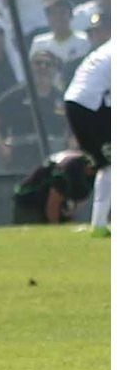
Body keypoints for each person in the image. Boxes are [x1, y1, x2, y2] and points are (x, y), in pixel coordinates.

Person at [68, 40, 112, 234]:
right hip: (91, 107)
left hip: (76, 105)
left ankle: (99, 224)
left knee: (106, 165)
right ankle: (99, 224)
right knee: (109, 165)